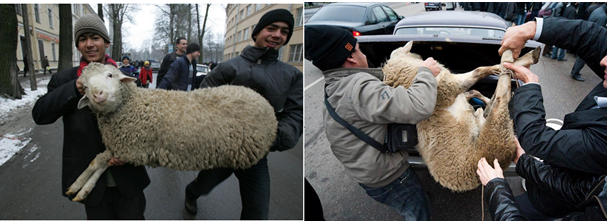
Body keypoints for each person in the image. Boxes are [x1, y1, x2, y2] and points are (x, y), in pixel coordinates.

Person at [498, 12, 607, 220]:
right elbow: (591, 36)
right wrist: (532, 28)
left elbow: (537, 139)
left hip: (555, 203)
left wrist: (529, 85)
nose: (604, 61)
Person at [477, 71, 607, 221]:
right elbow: (577, 189)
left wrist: (496, 187)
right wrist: (524, 162)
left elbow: (536, 138)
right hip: (552, 197)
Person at [306, 25, 441, 221]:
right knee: (417, 210)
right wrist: (425, 72)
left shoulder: (333, 87)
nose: (362, 54)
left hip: (366, 174)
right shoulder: (359, 87)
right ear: (350, 58)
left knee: (409, 201)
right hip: (391, 178)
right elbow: (419, 106)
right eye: (359, 49)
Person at [184, 9, 303, 220]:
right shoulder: (228, 68)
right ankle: (190, 193)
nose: (277, 35)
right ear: (256, 33)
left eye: (284, 32)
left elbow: (295, 115)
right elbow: (200, 101)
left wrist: (272, 137)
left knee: (257, 212)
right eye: (271, 28)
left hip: (256, 155)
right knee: (202, 185)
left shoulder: (291, 75)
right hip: (222, 151)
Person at [31, 14, 150, 220]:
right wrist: (76, 88)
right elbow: (40, 115)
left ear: (106, 42)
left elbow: (146, 126)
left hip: (128, 179)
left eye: (95, 37)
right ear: (77, 45)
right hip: (91, 184)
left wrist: (132, 152)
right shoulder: (64, 80)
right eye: (83, 39)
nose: (89, 44)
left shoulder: (124, 78)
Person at [571, 2, 607, 81]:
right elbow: (599, 31)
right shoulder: (603, 16)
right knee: (583, 58)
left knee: (580, 56)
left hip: (587, 36)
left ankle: (574, 71)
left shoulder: (598, 10)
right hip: (590, 40)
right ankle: (575, 73)